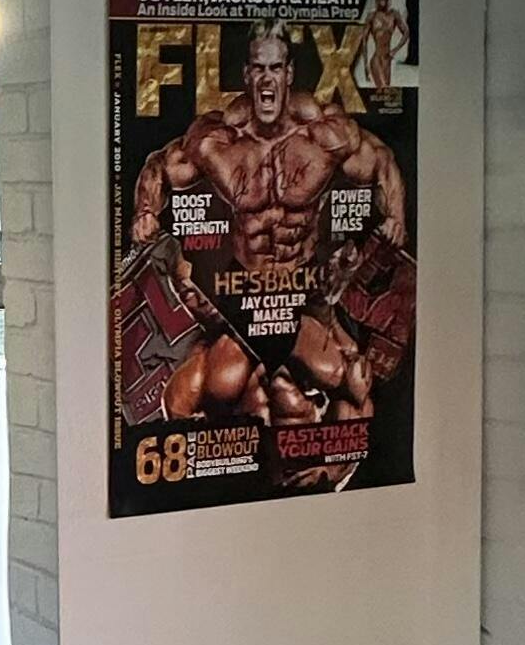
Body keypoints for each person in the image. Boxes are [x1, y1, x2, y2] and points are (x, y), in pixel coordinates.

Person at [115, 23, 409, 441]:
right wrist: (145, 210)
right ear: (247, 75)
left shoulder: (323, 135)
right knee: (216, 386)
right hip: (243, 288)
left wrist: (395, 215)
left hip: (303, 286)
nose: (267, 79)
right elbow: (160, 165)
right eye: (258, 68)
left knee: (352, 380)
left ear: (288, 73)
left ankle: (328, 470)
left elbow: (380, 159)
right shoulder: (219, 139)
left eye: (275, 68)